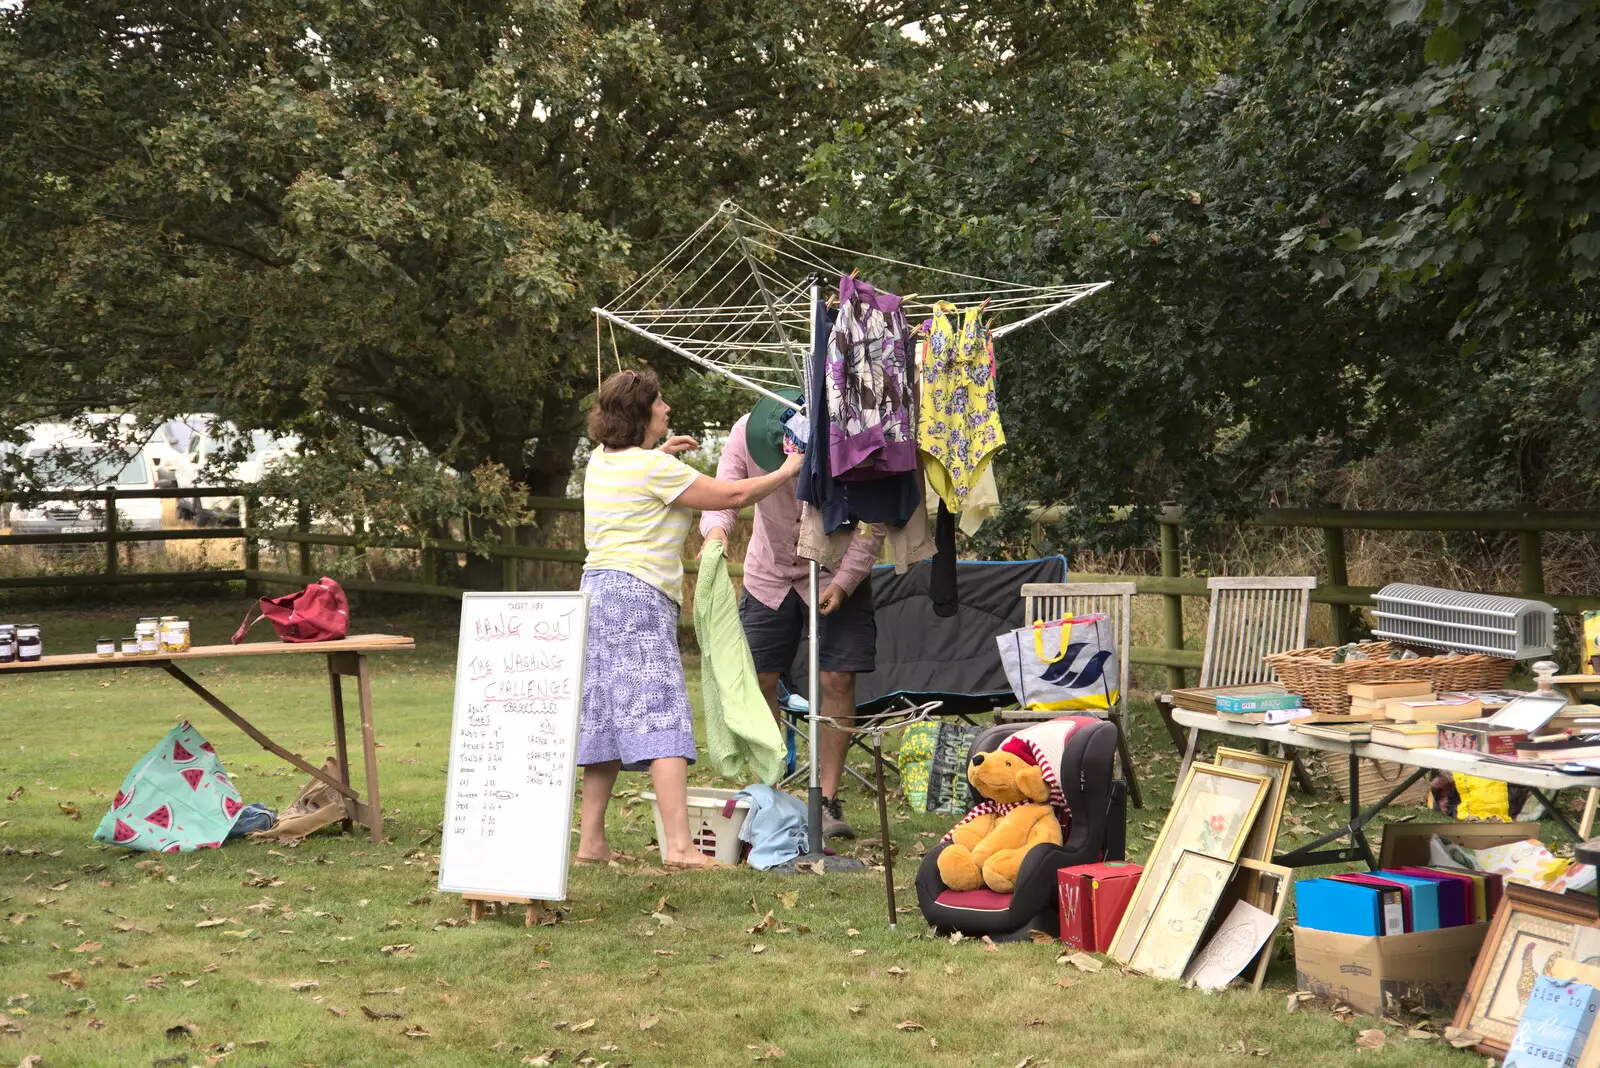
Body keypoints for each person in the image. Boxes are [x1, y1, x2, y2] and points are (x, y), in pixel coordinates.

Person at [578, 368, 802, 871]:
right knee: (663, 716)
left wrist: (658, 456)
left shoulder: (601, 461)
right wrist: (789, 470)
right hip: (636, 599)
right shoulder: (654, 471)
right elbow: (732, 497)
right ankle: (680, 848)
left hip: (596, 595)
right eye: (660, 402)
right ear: (641, 413)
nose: (667, 409)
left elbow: (636, 480)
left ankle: (591, 842)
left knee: (605, 718)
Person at [700, 414, 884, 839]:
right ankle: (771, 794)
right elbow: (724, 495)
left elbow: (876, 518)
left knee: (836, 678)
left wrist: (844, 581)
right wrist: (715, 534)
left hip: (836, 567)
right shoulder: (745, 430)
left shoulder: (850, 429)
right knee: (759, 678)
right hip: (769, 574)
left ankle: (828, 800)